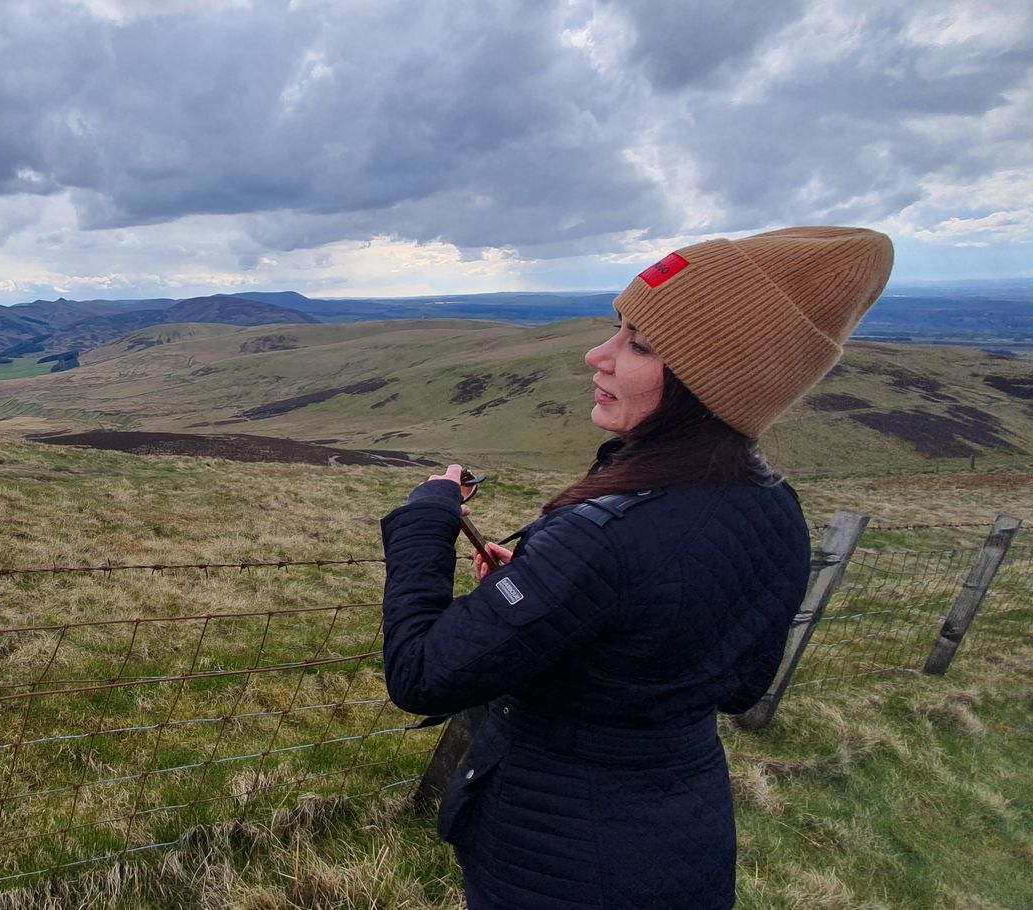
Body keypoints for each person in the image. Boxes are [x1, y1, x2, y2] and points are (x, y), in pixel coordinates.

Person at [379, 226, 894, 909]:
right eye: (616, 328)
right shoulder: (774, 508)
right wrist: (549, 597)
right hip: (682, 842)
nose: (598, 355)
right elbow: (738, 683)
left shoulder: (609, 537)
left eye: (640, 344)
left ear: (715, 379)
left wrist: (427, 520)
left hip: (556, 861)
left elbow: (421, 673)